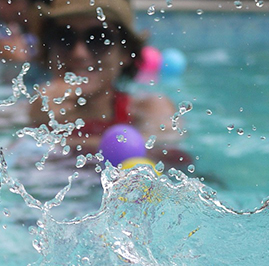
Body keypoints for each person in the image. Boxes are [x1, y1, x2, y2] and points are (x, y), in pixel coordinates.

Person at [28, 0, 187, 168]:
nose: (79, 53)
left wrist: (46, 140)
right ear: (48, 50)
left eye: (98, 38)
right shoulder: (27, 112)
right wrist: (36, 123)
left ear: (125, 53)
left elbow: (170, 160)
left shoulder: (148, 111)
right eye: (64, 37)